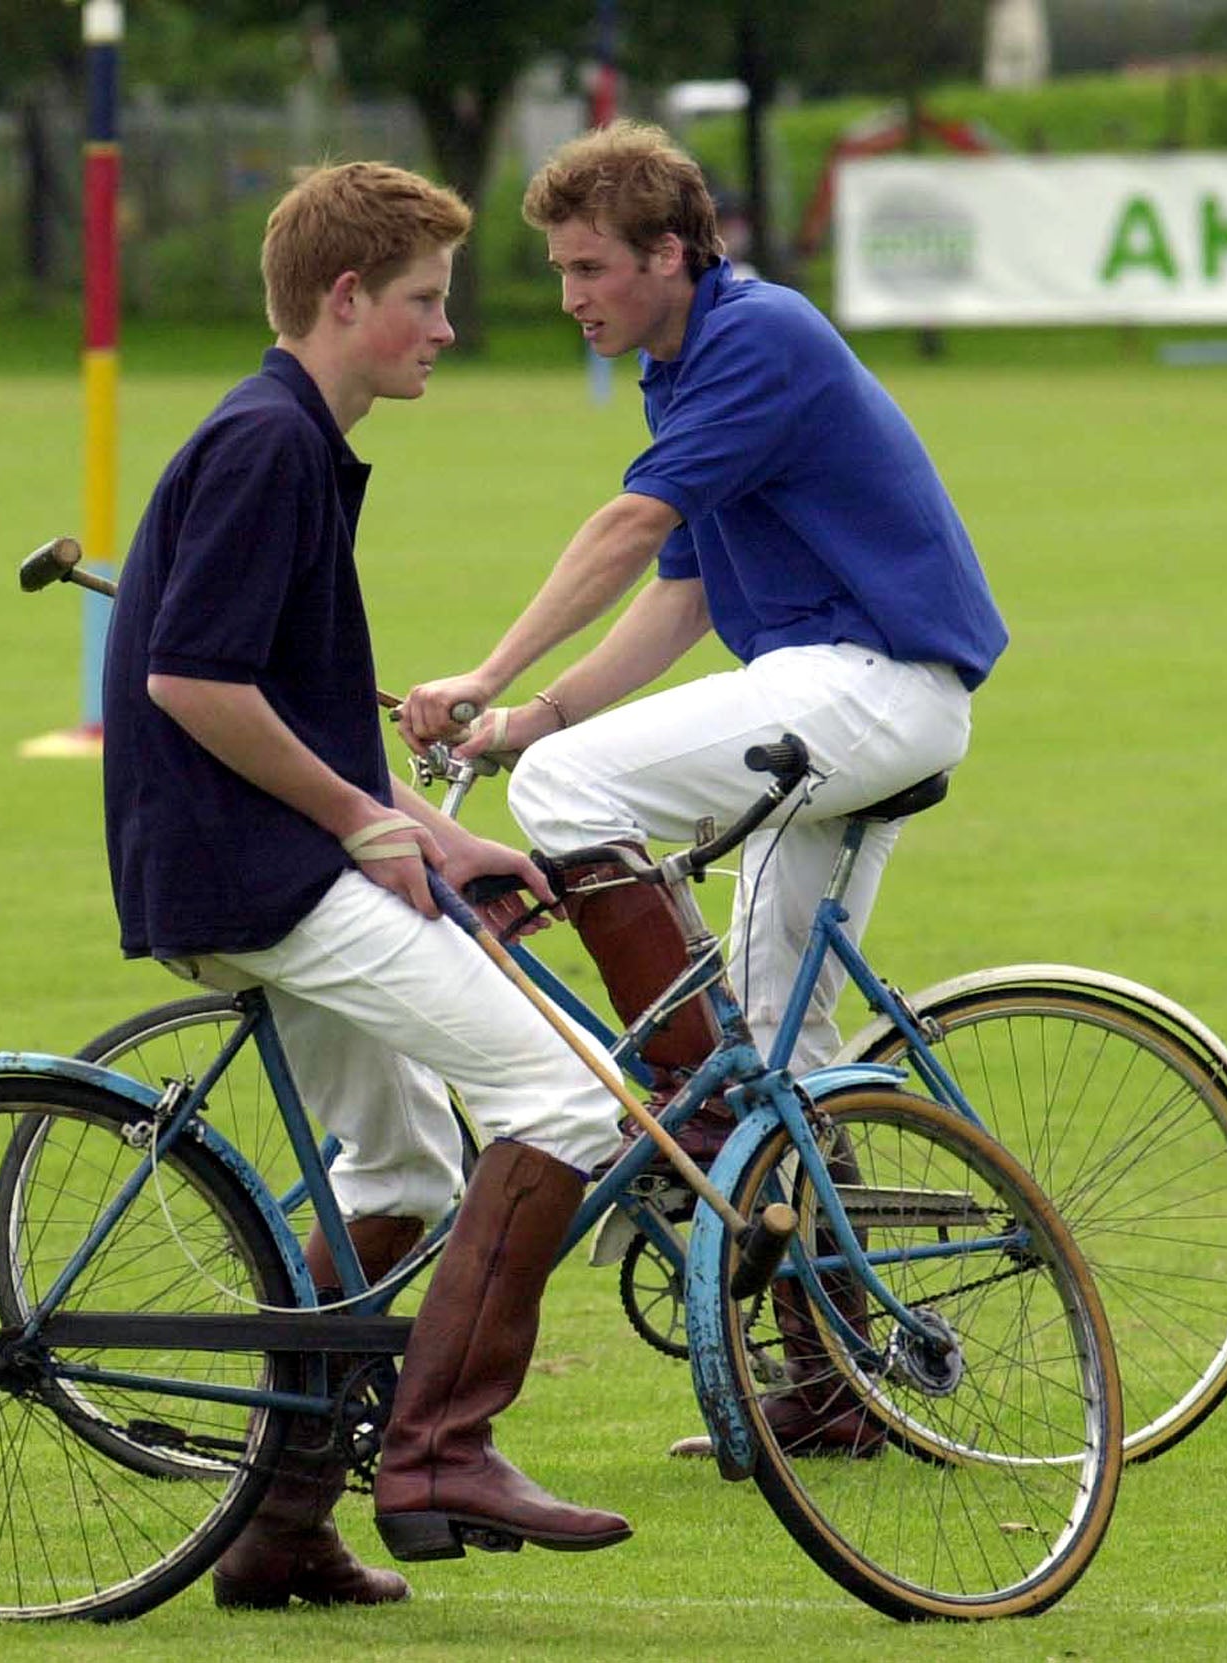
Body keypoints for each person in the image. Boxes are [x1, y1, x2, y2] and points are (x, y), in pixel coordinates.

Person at [400, 122, 1008, 1458]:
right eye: (560, 271)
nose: (571, 298)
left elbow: (633, 531)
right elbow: (685, 594)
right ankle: (837, 1385)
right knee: (787, 1047)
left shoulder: (756, 339)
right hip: (838, 693)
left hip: (873, 683)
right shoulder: (685, 368)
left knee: (569, 793)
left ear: (671, 254)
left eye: (590, 269)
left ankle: (699, 1102)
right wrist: (526, 715)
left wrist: (491, 675)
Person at [101, 161, 632, 1611]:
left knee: (406, 1171)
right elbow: (191, 682)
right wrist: (361, 822)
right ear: (346, 299)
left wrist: (430, 830)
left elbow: (292, 699)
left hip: (260, 858)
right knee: (571, 1104)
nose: (444, 331)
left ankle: (279, 1528)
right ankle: (443, 1450)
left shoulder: (294, 441)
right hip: (256, 871)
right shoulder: (272, 444)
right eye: (423, 302)